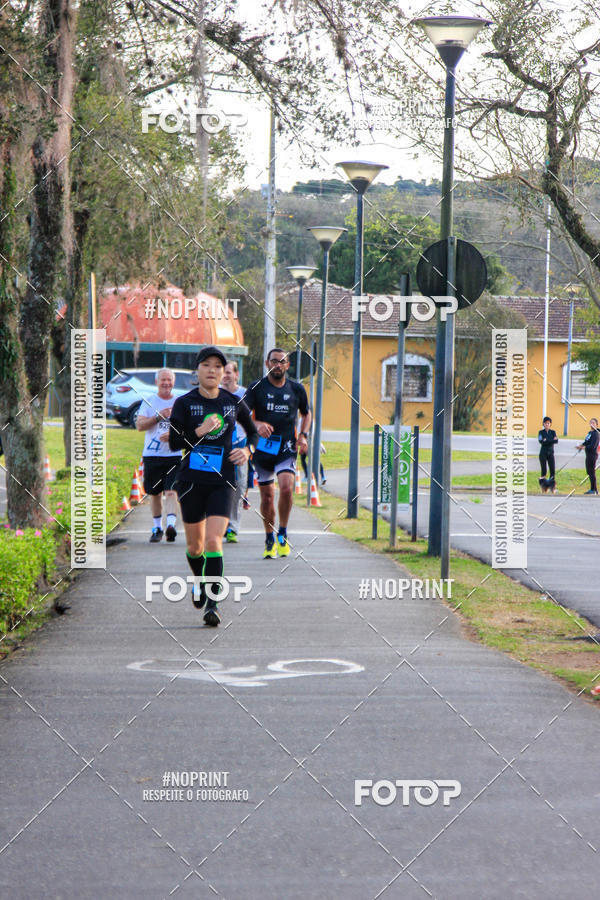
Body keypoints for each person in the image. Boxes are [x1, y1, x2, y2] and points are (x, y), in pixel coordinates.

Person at [168, 347, 258, 626]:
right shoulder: (185, 403)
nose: (212, 370)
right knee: (195, 547)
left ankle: (213, 604)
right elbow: (173, 441)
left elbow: (253, 431)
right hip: (192, 480)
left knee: (213, 541)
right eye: (206, 365)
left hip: (224, 480)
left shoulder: (233, 402)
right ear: (197, 371)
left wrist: (249, 451)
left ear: (223, 372)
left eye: (217, 366)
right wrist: (200, 430)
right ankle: (198, 579)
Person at [243, 348, 311, 558]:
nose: (278, 365)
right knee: (267, 496)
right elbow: (241, 414)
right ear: (267, 364)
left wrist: (303, 435)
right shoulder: (256, 388)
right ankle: (269, 536)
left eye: (282, 362)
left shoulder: (296, 389)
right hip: (262, 449)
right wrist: (256, 423)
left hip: (286, 448)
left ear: (287, 365)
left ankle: (282, 532)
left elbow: (306, 413)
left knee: (286, 488)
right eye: (274, 361)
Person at [136, 368, 182, 542]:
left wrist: (174, 436)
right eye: (163, 380)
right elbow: (140, 425)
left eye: (169, 380)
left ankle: (170, 525)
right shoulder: (149, 402)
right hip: (152, 456)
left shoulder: (179, 402)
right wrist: (158, 417)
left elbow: (188, 429)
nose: (166, 383)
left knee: (172, 492)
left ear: (173, 382)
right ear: (156, 382)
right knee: (154, 493)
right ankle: (157, 528)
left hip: (174, 456)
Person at [220, 360, 247, 543]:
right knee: (217, 485)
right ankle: (218, 523)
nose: (225, 376)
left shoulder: (245, 394)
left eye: (229, 372)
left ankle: (232, 527)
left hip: (240, 445)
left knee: (238, 485)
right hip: (219, 446)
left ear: (236, 375)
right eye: (223, 372)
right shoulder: (215, 394)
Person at [577, 418, 599, 495]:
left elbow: (593, 446)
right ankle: (592, 489)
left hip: (592, 455)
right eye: (591, 422)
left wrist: (584, 447)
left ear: (596, 424)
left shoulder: (596, 434)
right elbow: (586, 442)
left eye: (593, 423)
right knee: (589, 472)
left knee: (592, 472)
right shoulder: (590, 433)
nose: (592, 424)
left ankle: (594, 490)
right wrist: (581, 445)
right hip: (588, 454)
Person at [538, 416, 558, 493]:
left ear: (550, 424)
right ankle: (544, 488)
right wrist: (551, 440)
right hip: (543, 453)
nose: (547, 424)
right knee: (544, 470)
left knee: (552, 470)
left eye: (548, 423)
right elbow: (541, 441)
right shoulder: (541, 432)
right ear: (543, 424)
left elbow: (556, 441)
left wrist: (547, 440)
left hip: (551, 453)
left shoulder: (553, 432)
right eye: (546, 423)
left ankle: (552, 487)